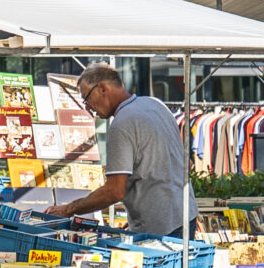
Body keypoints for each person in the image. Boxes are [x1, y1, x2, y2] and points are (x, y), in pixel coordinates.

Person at [46, 64, 189, 235]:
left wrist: (68, 209)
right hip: (185, 213)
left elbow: (114, 191)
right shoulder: (155, 104)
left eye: (87, 99)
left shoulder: (122, 123)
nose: (87, 107)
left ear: (102, 88)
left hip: (161, 226)